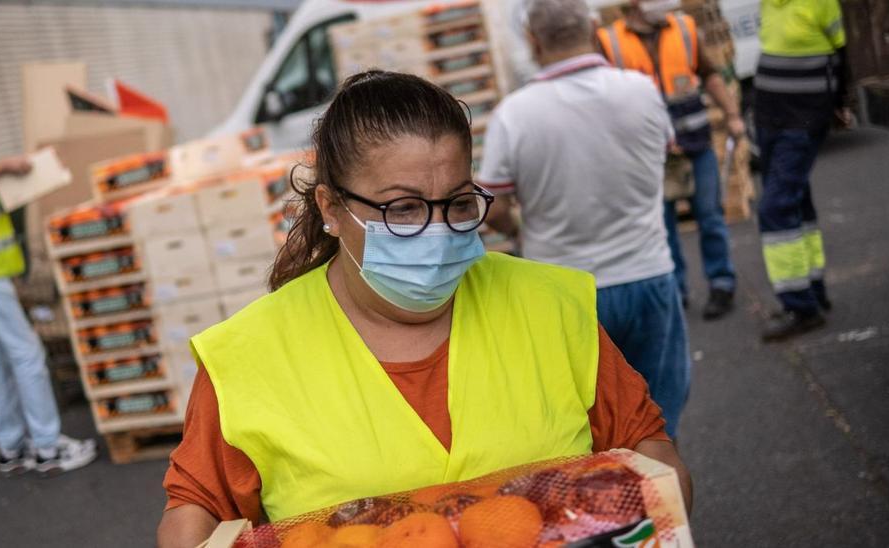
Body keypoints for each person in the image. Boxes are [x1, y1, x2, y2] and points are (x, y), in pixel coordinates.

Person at [155, 70, 692, 547]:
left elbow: (653, 458)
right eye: (403, 208)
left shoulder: (550, 307)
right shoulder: (247, 359)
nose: (437, 232)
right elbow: (193, 517)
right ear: (331, 208)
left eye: (458, 204)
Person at [480, 0, 693, 436]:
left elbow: (494, 206)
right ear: (595, 29)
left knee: (586, 430)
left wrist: (521, 230)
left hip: (563, 289)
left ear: (533, 41)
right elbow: (666, 155)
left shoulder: (514, 116)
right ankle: (662, 499)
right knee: (657, 426)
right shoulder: (640, 90)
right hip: (647, 273)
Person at [0, 85, 96, 475]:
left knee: (0, 360)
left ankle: (11, 448)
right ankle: (46, 448)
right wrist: (1, 167)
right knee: (28, 355)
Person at [596, 0, 745, 319]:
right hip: (646, 154)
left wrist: (733, 115)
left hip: (695, 144)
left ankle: (721, 283)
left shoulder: (685, 29)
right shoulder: (609, 41)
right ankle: (675, 291)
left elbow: (711, 75)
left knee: (710, 215)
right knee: (659, 227)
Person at [753, 0, 849, 341]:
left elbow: (843, 52)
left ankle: (801, 306)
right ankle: (813, 290)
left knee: (775, 206)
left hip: (806, 114)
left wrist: (840, 103)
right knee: (795, 200)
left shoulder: (822, 2)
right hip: (768, 113)